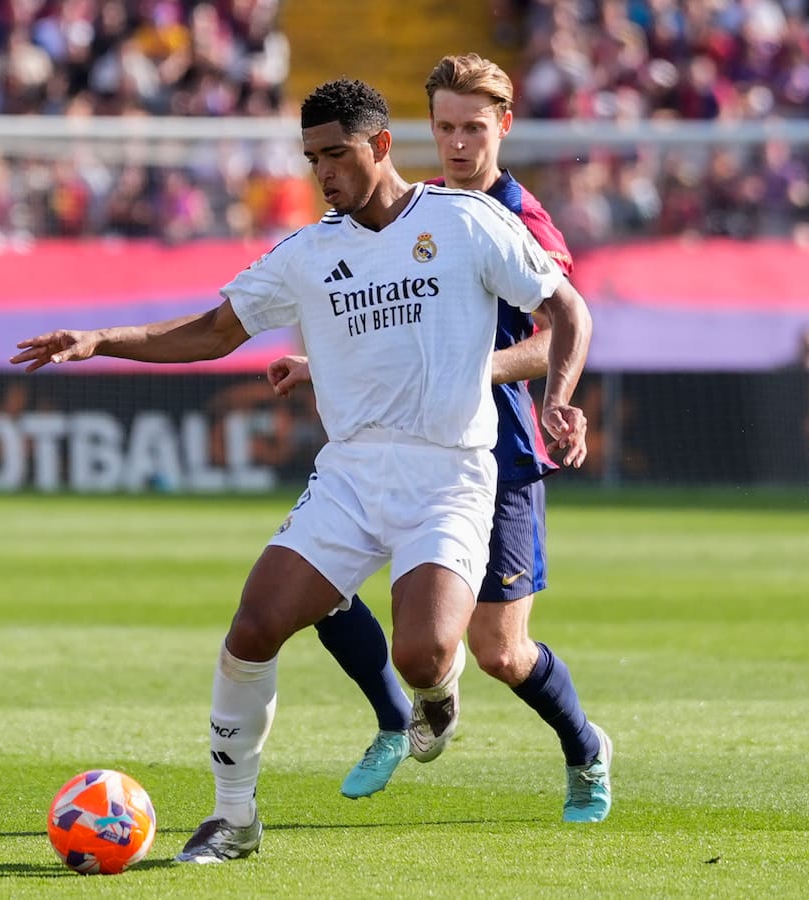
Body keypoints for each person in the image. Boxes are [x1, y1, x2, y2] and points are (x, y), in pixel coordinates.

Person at [9, 77, 592, 864]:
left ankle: (432, 694)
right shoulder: (309, 251)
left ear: (380, 146)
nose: (324, 173)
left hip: (448, 474)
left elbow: (567, 311)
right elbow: (214, 332)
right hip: (350, 475)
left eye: (337, 154)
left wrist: (558, 398)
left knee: (421, 653)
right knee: (252, 628)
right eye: (312, 157)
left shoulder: (467, 222)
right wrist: (101, 338)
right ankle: (233, 820)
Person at [268, 54, 613, 823]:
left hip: (495, 451)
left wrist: (485, 374)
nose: (459, 144)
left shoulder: (522, 220)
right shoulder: (405, 212)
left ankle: (586, 747)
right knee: (313, 582)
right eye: (446, 127)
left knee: (499, 652)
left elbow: (557, 327)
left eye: (474, 128)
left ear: (504, 127)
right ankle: (397, 717)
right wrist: (322, 360)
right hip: (390, 446)